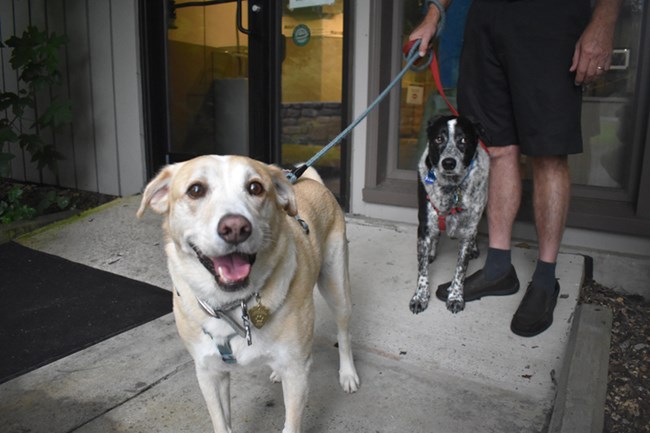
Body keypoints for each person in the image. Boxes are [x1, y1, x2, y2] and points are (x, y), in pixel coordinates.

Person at [409, 0, 622, 337]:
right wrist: (433, 15)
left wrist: (604, 21)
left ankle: (545, 279)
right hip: (486, 20)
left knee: (549, 153)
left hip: (550, 19)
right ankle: (498, 267)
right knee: (496, 149)